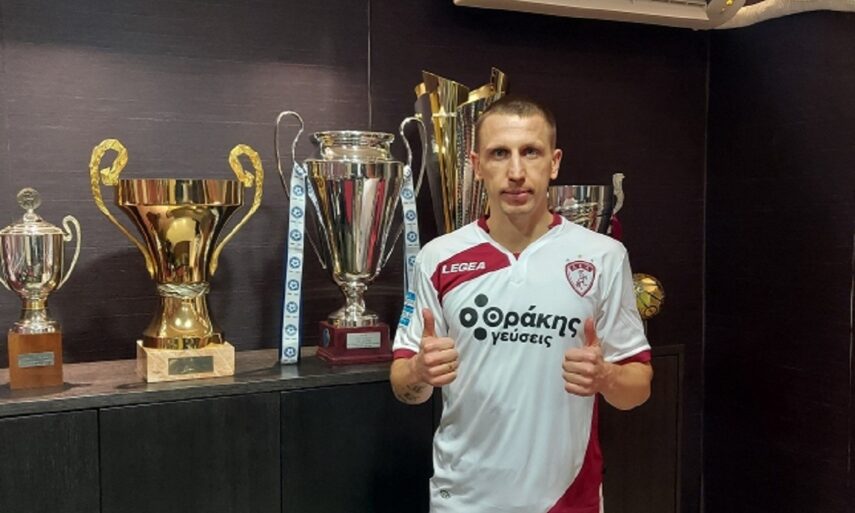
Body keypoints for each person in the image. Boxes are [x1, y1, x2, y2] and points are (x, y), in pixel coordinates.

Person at [390, 95, 653, 513]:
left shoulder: (603, 256)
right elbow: (404, 385)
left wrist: (606, 377)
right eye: (499, 153)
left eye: (531, 152)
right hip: (464, 501)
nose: (516, 172)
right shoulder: (437, 258)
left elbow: (638, 388)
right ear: (476, 165)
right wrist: (421, 371)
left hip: (566, 501)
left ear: (554, 162)